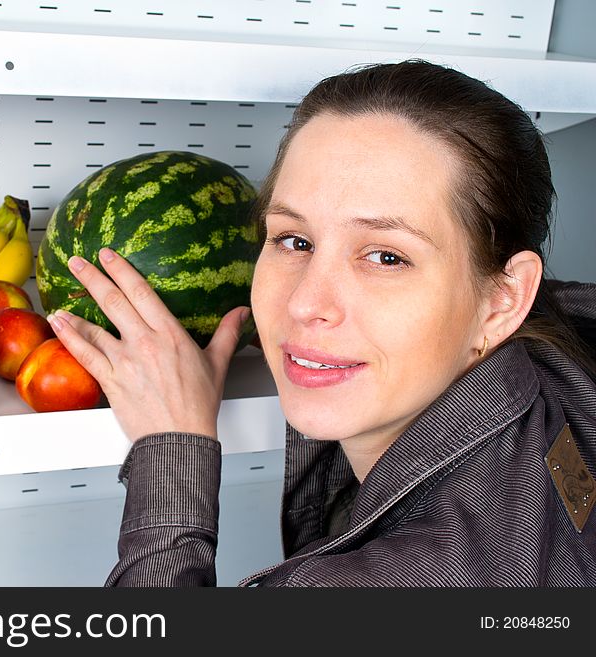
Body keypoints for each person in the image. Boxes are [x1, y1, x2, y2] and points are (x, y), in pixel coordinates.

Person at [44, 60, 596, 586]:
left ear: (505, 299)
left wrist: (172, 447)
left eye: (385, 257)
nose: (305, 304)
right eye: (294, 239)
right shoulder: (552, 341)